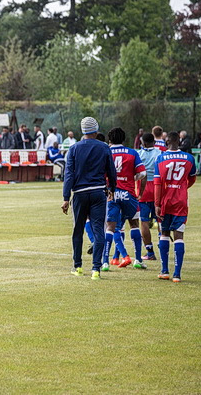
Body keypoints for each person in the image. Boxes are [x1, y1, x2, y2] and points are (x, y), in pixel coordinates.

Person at [62, 117, 117, 280]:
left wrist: (66, 197)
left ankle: (78, 266)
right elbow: (111, 170)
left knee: (77, 230)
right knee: (98, 230)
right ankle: (96, 269)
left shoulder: (74, 148)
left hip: (79, 193)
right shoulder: (104, 147)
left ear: (82, 130)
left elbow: (69, 174)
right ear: (96, 129)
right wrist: (112, 188)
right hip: (98, 193)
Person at [102, 127, 147, 271]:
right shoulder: (132, 152)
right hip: (129, 193)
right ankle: (138, 259)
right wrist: (131, 178)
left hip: (112, 193)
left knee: (110, 227)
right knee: (134, 224)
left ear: (110, 140)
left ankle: (105, 262)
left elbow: (101, 174)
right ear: (123, 139)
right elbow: (142, 173)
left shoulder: (106, 152)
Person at [154, 131, 197, 283]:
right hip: (181, 201)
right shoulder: (189, 158)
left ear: (167, 142)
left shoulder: (160, 159)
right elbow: (192, 178)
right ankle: (177, 274)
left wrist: (157, 204)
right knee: (179, 235)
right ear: (179, 142)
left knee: (164, 233)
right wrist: (182, 188)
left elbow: (157, 184)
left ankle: (164, 271)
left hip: (165, 201)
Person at [137, 133, 162, 261]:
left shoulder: (139, 154)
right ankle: (163, 248)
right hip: (158, 187)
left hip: (144, 188)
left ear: (144, 143)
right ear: (154, 142)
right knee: (160, 220)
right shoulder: (160, 153)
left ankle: (150, 252)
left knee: (144, 222)